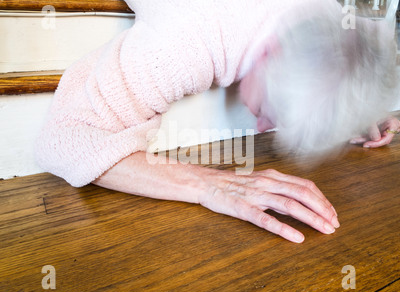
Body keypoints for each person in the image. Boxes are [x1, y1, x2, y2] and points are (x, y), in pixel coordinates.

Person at [35, 0, 400, 243]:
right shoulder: (185, 42)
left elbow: (352, 50)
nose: (261, 127)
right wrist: (210, 184)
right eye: (270, 112)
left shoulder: (325, 13)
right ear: (271, 52)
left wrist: (354, 106)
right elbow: (65, 138)